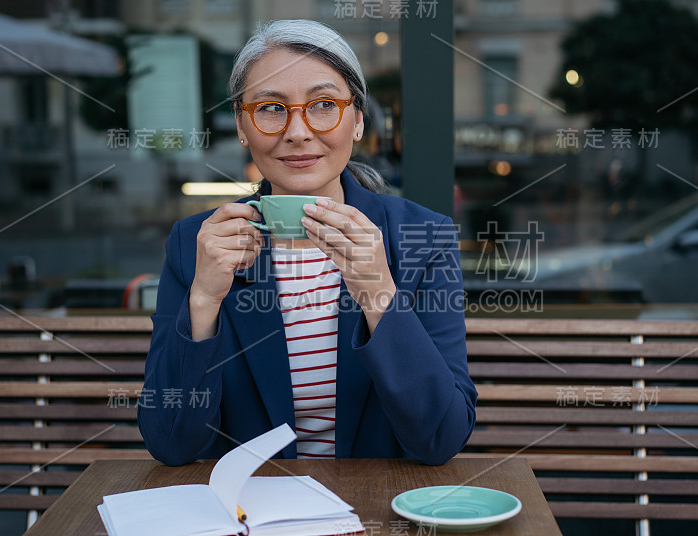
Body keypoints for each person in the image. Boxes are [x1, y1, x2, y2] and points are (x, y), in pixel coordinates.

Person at [138, 19, 476, 466]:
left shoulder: (422, 239)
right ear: (242, 125)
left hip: (376, 511)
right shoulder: (196, 245)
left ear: (357, 120)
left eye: (322, 104)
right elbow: (170, 443)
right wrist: (203, 299)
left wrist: (379, 293)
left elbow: (441, 438)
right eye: (271, 109)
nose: (297, 131)